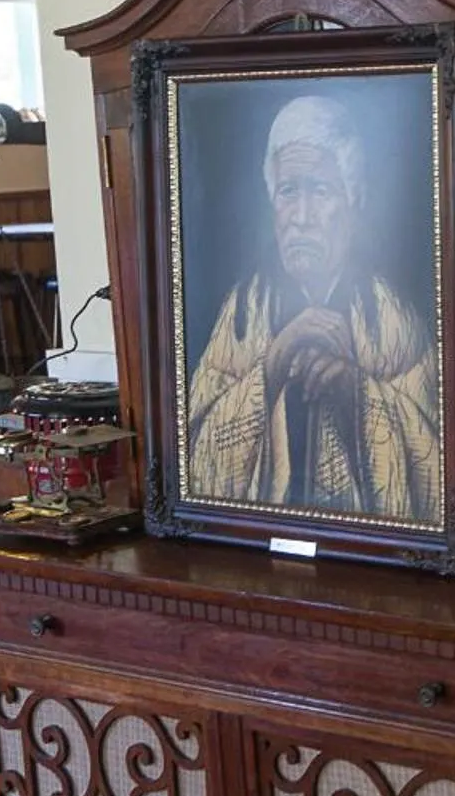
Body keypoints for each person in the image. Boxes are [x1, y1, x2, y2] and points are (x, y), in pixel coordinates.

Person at [186, 92, 440, 522]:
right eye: (288, 191)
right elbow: (196, 454)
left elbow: (432, 470)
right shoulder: (244, 311)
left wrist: (356, 393)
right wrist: (274, 361)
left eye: (320, 191)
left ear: (352, 201)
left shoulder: (388, 315)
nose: (301, 216)